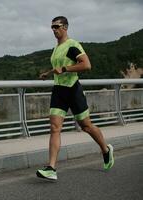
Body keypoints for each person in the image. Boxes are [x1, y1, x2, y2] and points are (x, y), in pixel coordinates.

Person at [36, 16, 114, 180]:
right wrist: (48, 73)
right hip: (59, 91)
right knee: (54, 127)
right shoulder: (57, 48)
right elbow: (58, 67)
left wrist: (64, 69)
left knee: (86, 126)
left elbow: (86, 65)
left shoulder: (72, 45)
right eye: (52, 27)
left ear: (65, 27)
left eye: (56, 26)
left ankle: (106, 150)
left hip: (73, 90)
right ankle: (51, 168)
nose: (54, 30)